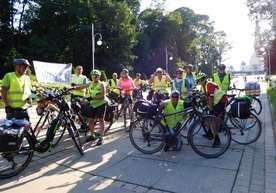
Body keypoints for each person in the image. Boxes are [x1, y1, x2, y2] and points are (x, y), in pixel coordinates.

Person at [74, 69, 108, 145]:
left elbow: (103, 96)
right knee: (90, 120)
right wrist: (73, 88)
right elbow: (81, 87)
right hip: (93, 104)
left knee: (101, 120)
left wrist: (92, 98)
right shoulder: (90, 83)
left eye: (96, 76)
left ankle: (101, 137)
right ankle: (92, 135)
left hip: (101, 103)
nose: (94, 78)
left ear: (99, 77)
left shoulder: (101, 84)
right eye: (92, 76)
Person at [196, 72, 227, 148]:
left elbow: (211, 98)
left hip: (220, 101)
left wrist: (211, 110)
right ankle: (209, 133)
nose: (201, 81)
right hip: (214, 102)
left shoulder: (209, 84)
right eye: (199, 80)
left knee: (213, 118)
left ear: (205, 79)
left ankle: (217, 138)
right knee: (205, 116)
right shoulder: (202, 86)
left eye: (202, 79)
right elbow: (204, 96)